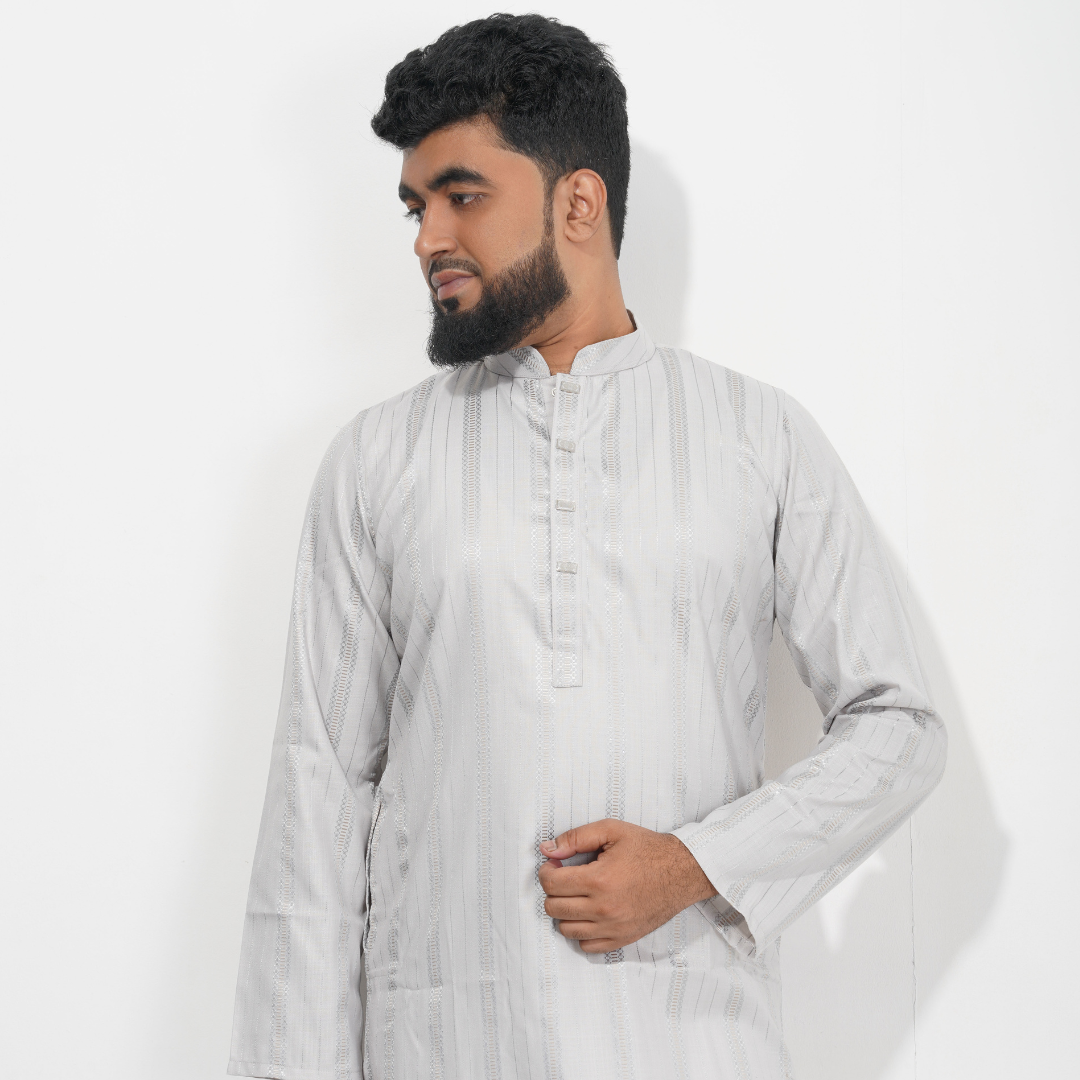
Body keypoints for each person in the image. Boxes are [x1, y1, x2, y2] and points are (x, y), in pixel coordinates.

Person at [227, 14, 946, 1080]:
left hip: (692, 1048)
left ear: (578, 201)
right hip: (446, 1050)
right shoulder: (378, 460)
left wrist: (697, 863)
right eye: (418, 206)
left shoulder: (758, 437)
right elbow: (313, 805)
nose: (427, 238)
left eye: (463, 195)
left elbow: (899, 726)